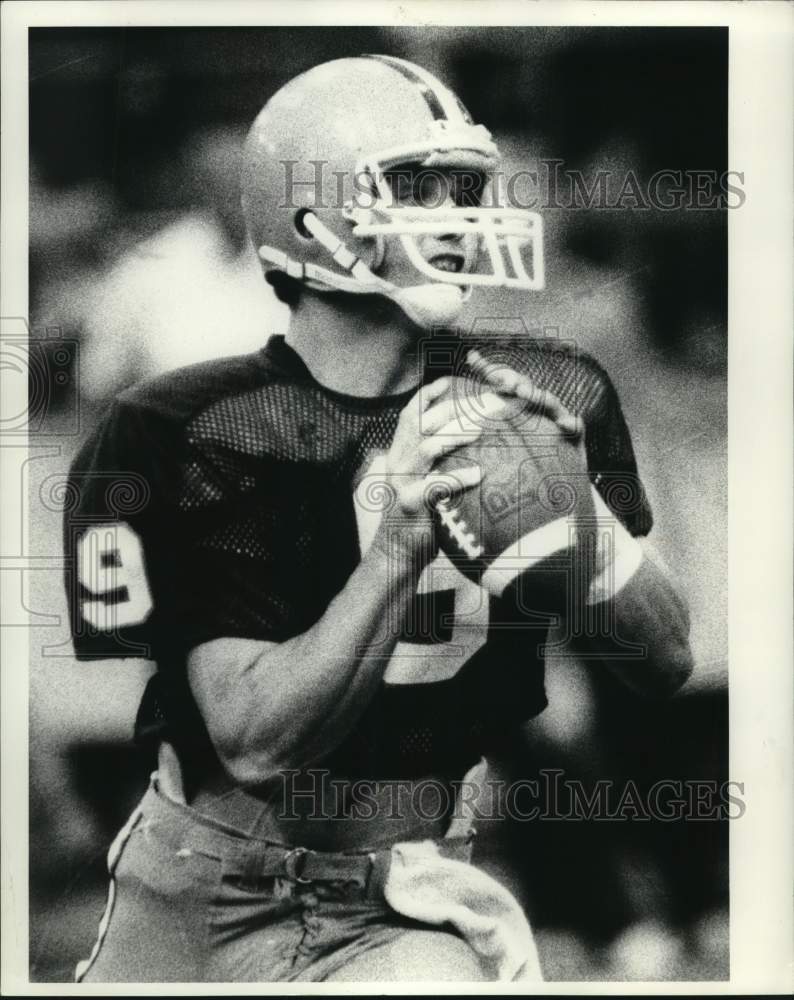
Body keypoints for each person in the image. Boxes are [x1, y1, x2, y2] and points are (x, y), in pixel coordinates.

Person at [64, 54, 693, 983]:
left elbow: (664, 661)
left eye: (462, 185)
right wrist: (398, 548)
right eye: (414, 185)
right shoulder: (189, 428)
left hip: (401, 897)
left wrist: (579, 514)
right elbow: (254, 741)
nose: (456, 213)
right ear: (309, 213)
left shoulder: (545, 391)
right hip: (195, 891)